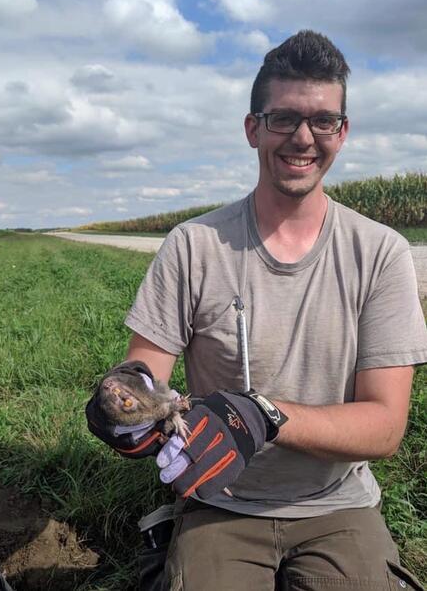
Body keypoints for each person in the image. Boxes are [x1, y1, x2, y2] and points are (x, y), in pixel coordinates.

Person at [87, 30, 427, 590]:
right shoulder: (193, 245)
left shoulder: (380, 251)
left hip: (336, 503)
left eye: (323, 121)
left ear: (342, 133)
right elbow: (142, 380)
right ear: (253, 128)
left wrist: (263, 415)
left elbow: (386, 427)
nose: (303, 137)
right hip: (220, 498)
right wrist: (119, 406)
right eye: (283, 118)